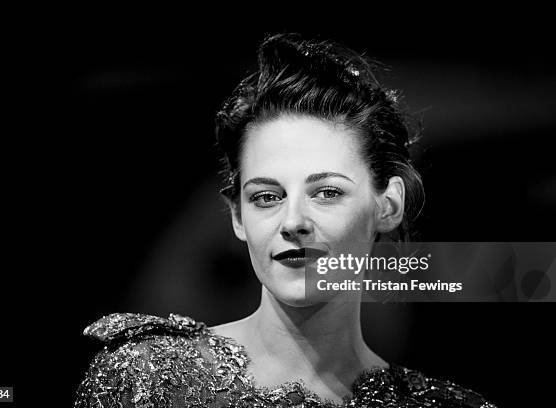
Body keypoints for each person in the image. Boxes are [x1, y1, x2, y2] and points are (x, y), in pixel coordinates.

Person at [75, 33, 496, 407]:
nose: (293, 221)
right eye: (266, 197)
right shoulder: (141, 379)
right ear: (238, 216)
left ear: (388, 206)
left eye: (327, 193)